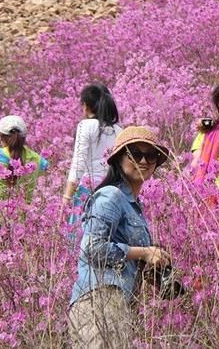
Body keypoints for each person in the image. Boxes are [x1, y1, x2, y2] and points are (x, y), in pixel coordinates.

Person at [69, 126, 171, 347]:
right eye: (135, 153)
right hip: (99, 301)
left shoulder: (135, 206)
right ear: (118, 159)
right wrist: (144, 252)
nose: (143, 160)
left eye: (151, 155)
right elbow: (92, 249)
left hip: (119, 301)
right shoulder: (110, 195)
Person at [62, 83, 122, 223]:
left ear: (85, 106)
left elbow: (78, 163)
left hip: (87, 191)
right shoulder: (119, 130)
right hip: (113, 191)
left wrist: (67, 197)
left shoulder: (86, 125)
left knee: (80, 236)